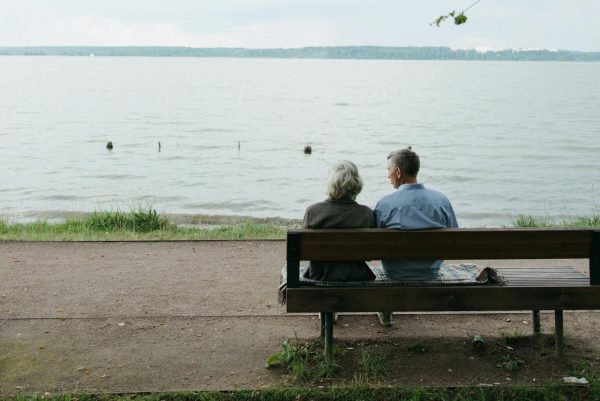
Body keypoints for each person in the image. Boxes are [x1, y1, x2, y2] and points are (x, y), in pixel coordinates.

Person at [374, 147, 458, 325]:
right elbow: (454, 237)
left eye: (388, 170)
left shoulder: (385, 204)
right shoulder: (441, 200)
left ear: (398, 172)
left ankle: (387, 307)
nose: (387, 176)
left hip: (395, 272)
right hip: (430, 271)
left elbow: (374, 246)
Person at [303, 160, 375, 281]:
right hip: (356, 276)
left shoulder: (313, 211)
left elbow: (306, 251)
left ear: (330, 183)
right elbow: (369, 256)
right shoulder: (367, 214)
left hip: (320, 276)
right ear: (356, 183)